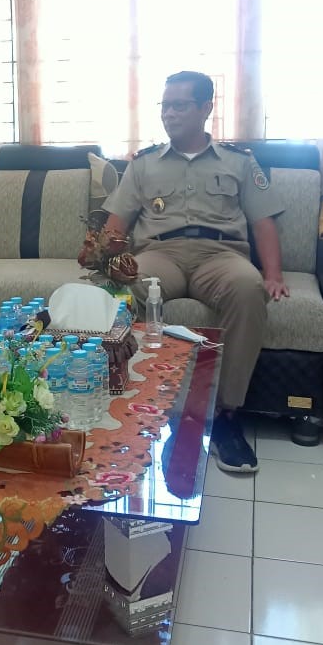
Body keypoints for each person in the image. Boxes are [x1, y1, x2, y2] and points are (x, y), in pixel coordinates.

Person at [102, 71, 289, 474]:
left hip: (220, 254)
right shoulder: (144, 164)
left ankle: (226, 416)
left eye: (179, 105)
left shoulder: (239, 161)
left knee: (248, 287)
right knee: (127, 287)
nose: (168, 114)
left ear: (206, 108)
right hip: (160, 253)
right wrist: (107, 264)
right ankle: (136, 403)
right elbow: (116, 224)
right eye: (165, 106)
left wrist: (273, 274)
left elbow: (263, 221)